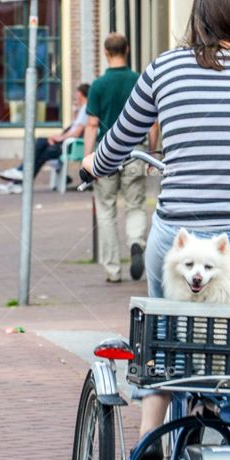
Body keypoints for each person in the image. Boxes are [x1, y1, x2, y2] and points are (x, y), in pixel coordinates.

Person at [82, 0, 230, 460]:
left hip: (182, 233)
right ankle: (221, 406)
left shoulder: (164, 69)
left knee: (164, 323)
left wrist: (92, 167)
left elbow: (122, 139)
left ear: (198, 19)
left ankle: (149, 437)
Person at [83, 33, 148, 284]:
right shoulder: (138, 80)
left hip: (106, 153)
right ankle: (135, 242)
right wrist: (151, 148)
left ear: (105, 53)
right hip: (135, 151)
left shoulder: (98, 85)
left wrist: (88, 159)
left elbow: (91, 125)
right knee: (135, 204)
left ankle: (112, 270)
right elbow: (152, 121)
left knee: (106, 209)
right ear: (127, 49)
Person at [0, 84, 90, 183]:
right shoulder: (82, 109)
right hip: (66, 142)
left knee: (41, 146)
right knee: (41, 148)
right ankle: (21, 178)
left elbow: (76, 132)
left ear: (81, 94)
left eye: (77, 93)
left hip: (69, 145)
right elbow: (74, 128)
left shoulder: (86, 109)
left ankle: (21, 175)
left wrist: (60, 138)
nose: (75, 95)